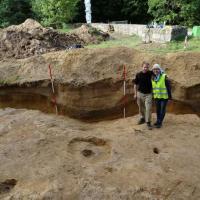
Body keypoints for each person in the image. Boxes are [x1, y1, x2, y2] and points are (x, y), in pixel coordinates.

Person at [133, 61, 153, 130]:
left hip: (149, 94)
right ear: (142, 67)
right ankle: (142, 118)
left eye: (147, 67)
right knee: (141, 108)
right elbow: (135, 85)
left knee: (148, 108)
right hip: (140, 94)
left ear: (148, 68)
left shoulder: (150, 73)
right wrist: (135, 94)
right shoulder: (138, 74)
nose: (145, 68)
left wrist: (165, 75)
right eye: (144, 67)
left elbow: (158, 72)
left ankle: (148, 122)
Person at [151, 64, 172, 128]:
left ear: (160, 69)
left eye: (157, 69)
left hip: (164, 97)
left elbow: (168, 87)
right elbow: (153, 88)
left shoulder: (164, 76)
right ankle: (158, 121)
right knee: (158, 109)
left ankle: (160, 122)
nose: (156, 70)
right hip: (157, 97)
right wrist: (152, 96)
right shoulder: (152, 77)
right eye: (154, 69)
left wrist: (170, 97)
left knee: (162, 109)